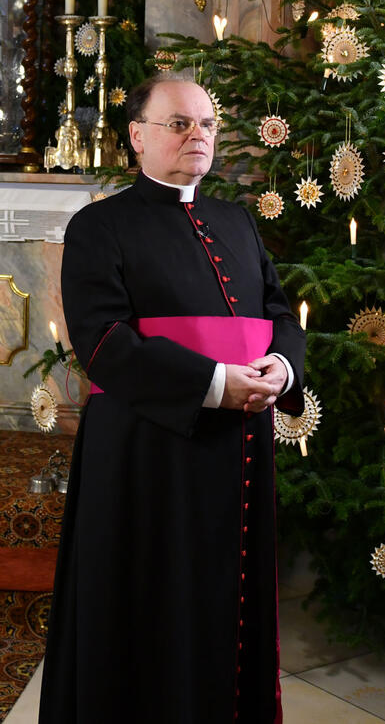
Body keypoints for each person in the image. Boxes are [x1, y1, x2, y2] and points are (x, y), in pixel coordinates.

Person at [40, 76, 306, 723]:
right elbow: (102, 341)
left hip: (237, 449)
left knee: (224, 605)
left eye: (209, 124)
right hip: (144, 456)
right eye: (180, 123)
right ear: (138, 136)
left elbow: (278, 311)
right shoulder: (100, 226)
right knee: (150, 608)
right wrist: (215, 383)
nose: (199, 136)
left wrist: (282, 368)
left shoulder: (235, 220)